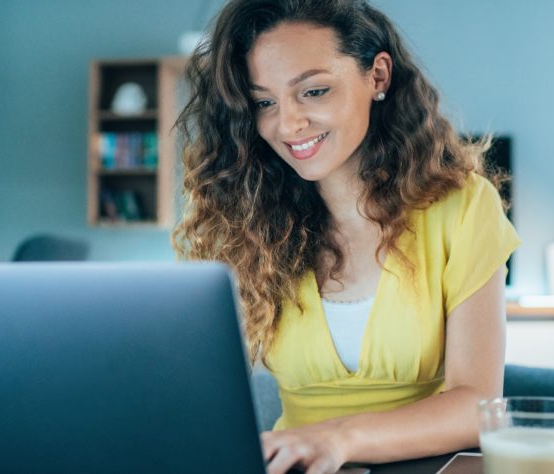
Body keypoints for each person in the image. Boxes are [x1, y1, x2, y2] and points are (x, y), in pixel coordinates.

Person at [172, 0, 521, 473]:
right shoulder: (245, 223)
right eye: (264, 102)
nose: (288, 124)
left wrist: (339, 439)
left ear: (378, 76)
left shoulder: (462, 206)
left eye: (313, 91)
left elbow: (478, 406)